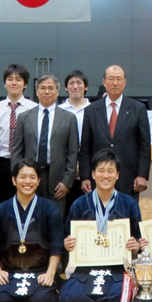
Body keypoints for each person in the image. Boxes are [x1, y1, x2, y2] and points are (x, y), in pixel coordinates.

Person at [60, 149, 145, 302]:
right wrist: (67, 243)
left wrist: (135, 246)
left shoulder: (129, 204)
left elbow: (139, 240)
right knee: (68, 299)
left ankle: (98, 301)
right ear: (93, 174)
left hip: (118, 270)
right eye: (101, 171)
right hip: (86, 270)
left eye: (110, 171)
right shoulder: (79, 204)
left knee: (125, 299)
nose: (105, 176)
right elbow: (66, 236)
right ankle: (102, 301)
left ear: (118, 175)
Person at [0, 159, 64, 302]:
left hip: (39, 272)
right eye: (22, 177)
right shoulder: (0, 210)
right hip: (11, 273)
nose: (27, 181)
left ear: (38, 181)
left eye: (32, 177)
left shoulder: (50, 209)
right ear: (14, 180)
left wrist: (50, 273)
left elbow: (56, 245)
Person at [11, 74, 79, 216]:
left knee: (54, 219)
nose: (47, 92)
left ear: (57, 91)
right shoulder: (24, 117)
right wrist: (18, 176)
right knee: (29, 218)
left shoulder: (69, 118)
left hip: (56, 179)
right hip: (29, 177)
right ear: (37, 91)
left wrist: (67, 181)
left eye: (50, 88)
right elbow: (16, 150)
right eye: (43, 88)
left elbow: (73, 153)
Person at [79, 65, 151, 200]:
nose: (115, 83)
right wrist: (85, 177)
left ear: (125, 82)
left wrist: (142, 175)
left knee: (127, 217)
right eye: (111, 79)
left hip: (129, 177)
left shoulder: (138, 108)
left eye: (119, 79)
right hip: (99, 176)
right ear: (104, 82)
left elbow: (144, 145)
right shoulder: (91, 110)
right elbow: (85, 147)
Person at [0, 64, 38, 207]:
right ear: (5, 84)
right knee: (1, 204)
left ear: (25, 84)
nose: (14, 83)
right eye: (10, 79)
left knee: (25, 203)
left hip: (26, 162)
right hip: (2, 163)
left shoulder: (33, 108)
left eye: (18, 79)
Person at [59, 70, 91, 216]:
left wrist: (83, 167)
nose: (75, 86)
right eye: (71, 83)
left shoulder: (94, 110)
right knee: (65, 213)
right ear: (66, 88)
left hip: (89, 172)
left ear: (86, 87)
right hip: (63, 172)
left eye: (79, 83)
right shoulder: (58, 111)